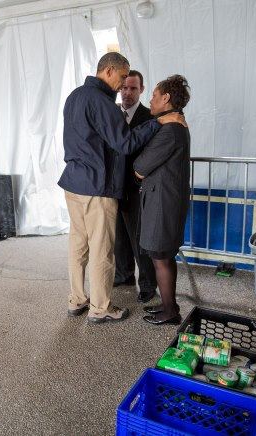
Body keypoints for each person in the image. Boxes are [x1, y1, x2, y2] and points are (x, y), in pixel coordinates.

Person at [59, 53, 183, 324]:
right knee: (102, 249)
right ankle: (100, 308)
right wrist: (158, 122)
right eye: (123, 76)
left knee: (77, 246)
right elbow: (125, 144)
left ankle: (77, 299)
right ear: (110, 71)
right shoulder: (103, 102)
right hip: (96, 186)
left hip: (73, 183)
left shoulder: (74, 96)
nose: (123, 83)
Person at [133, 74, 191, 325]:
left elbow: (140, 167)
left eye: (154, 96)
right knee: (165, 257)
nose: (151, 100)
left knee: (160, 258)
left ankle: (170, 312)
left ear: (166, 98)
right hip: (165, 200)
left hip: (163, 204)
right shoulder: (175, 127)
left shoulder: (170, 131)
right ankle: (170, 306)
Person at [113, 70, 158, 305]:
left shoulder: (150, 117)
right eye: (124, 88)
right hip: (114, 188)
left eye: (132, 88)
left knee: (140, 240)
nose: (127, 92)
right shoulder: (112, 114)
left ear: (141, 89)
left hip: (137, 188)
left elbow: (151, 154)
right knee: (118, 236)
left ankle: (149, 285)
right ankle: (124, 275)